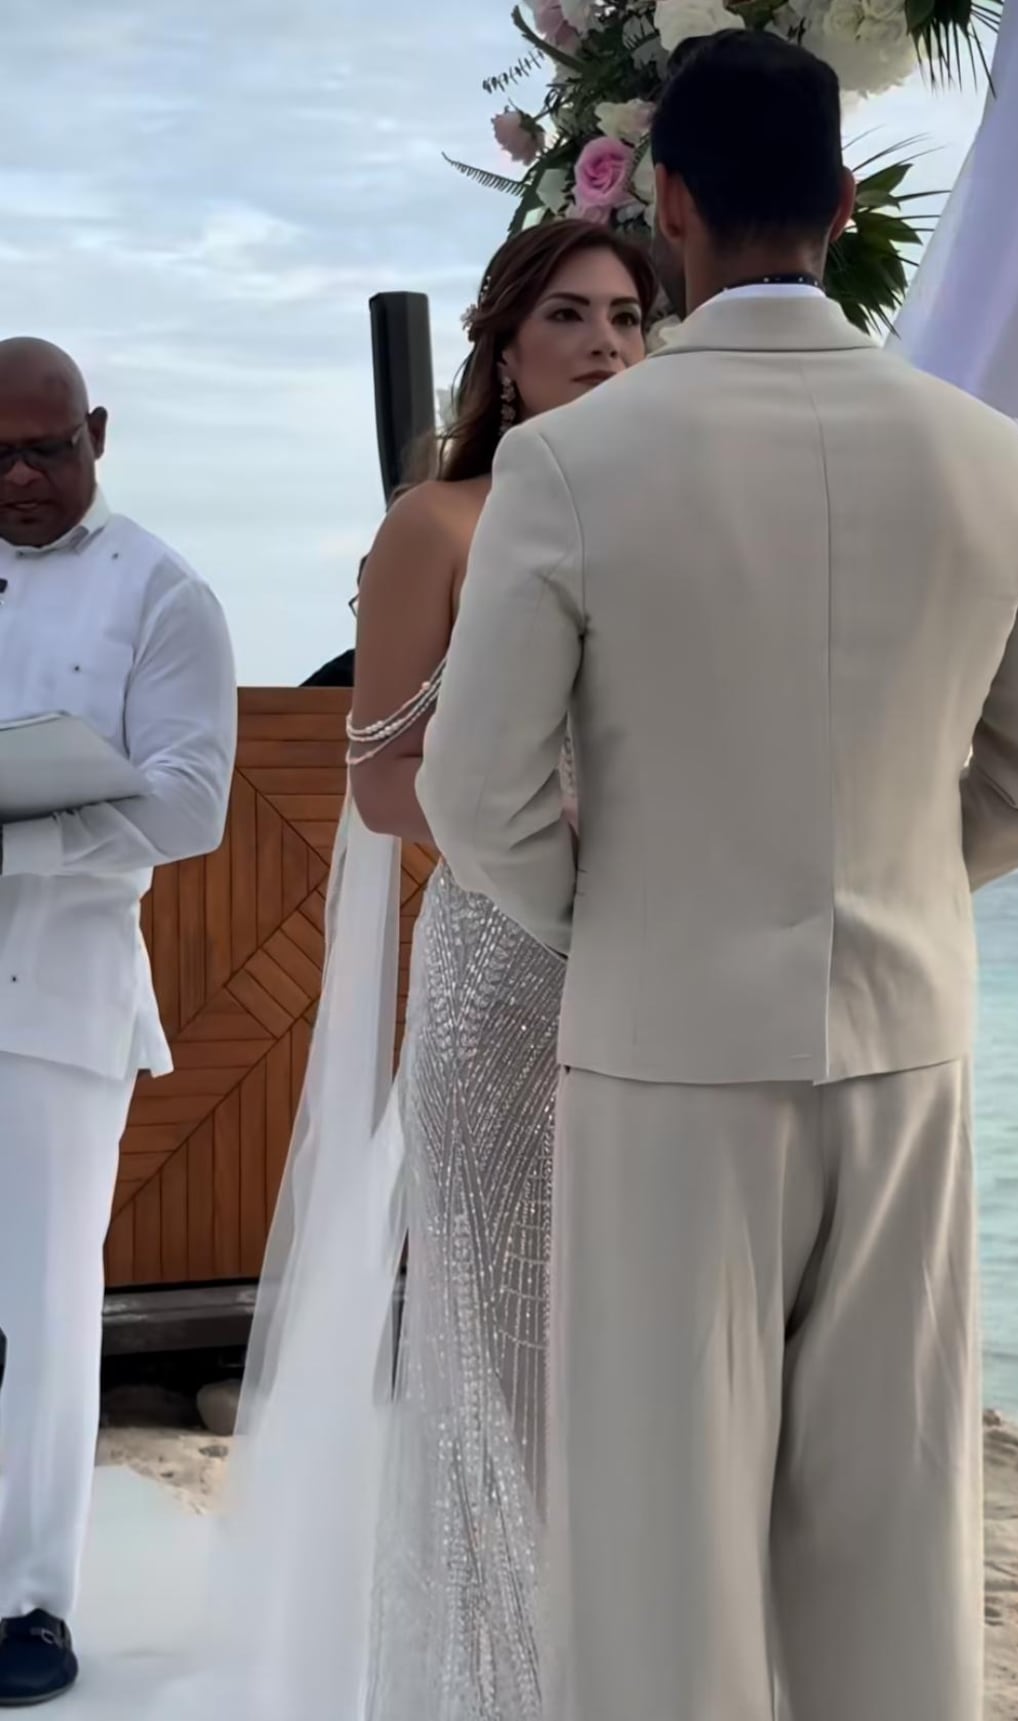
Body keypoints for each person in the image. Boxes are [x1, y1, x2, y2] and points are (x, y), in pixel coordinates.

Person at [418, 32, 1018, 1721]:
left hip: (662, 1052)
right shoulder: (987, 454)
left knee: (660, 1539)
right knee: (897, 1524)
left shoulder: (576, 464)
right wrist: (902, 892)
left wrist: (627, 922)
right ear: (849, 199)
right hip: (908, 1043)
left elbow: (476, 788)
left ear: (666, 206)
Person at [159, 220, 653, 1721]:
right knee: (499, 1353)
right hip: (507, 973)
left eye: (630, 317)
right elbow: (378, 786)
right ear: (503, 347)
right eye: (568, 315)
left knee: (636, 1357)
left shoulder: (678, 507)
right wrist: (557, 815)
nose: (605, 344)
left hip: (661, 974)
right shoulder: (438, 523)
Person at [0, 339, 236, 1705]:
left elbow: (193, 804)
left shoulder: (164, 589)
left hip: (60, 996)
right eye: (1, 456)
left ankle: (30, 1599)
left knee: (43, 1305)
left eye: (51, 448)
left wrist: (25, 842)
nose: (26, 476)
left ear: (98, 431)